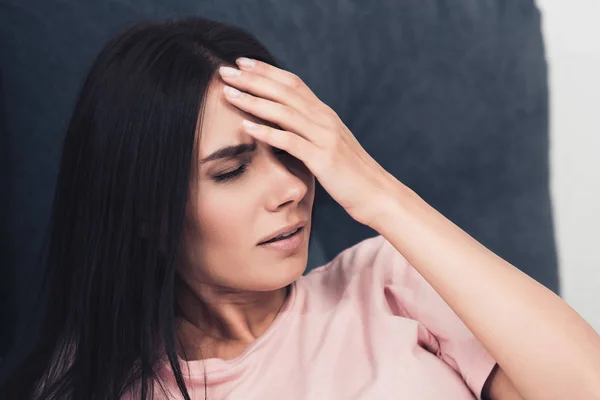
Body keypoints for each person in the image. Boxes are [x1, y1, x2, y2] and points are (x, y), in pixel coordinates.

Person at [2, 15, 599, 400]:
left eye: (293, 153)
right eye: (232, 170)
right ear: (146, 213)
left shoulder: (386, 280)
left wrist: (383, 197)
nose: (291, 188)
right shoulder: (94, 385)